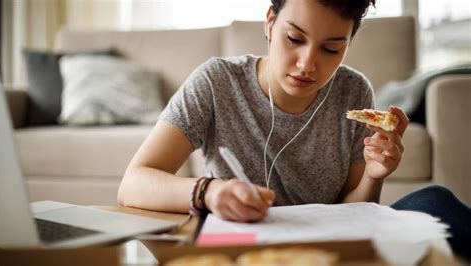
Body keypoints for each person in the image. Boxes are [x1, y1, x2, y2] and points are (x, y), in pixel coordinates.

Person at [118, 0, 470, 261]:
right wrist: (208, 192)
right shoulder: (217, 82)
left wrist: (373, 176)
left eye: (332, 48)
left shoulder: (353, 91)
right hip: (246, 246)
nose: (307, 65)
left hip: (326, 247)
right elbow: (134, 182)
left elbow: (355, 212)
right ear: (270, 22)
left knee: (435, 200)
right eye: (294, 38)